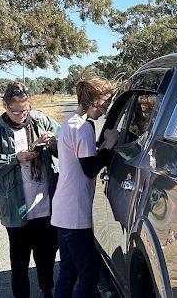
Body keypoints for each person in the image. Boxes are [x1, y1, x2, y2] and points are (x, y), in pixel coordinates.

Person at [0, 82, 60, 298]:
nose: (20, 115)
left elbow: (65, 145)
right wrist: (14, 158)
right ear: (5, 105)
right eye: (15, 110)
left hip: (45, 204)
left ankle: (47, 290)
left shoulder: (41, 120)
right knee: (20, 261)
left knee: (46, 256)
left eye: (24, 110)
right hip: (17, 208)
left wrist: (52, 142)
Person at [51, 70, 119, 298]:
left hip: (63, 209)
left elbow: (83, 159)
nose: (107, 108)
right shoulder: (83, 127)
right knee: (88, 275)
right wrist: (109, 144)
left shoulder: (71, 122)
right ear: (95, 100)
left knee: (68, 272)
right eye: (106, 102)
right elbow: (89, 168)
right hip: (75, 212)